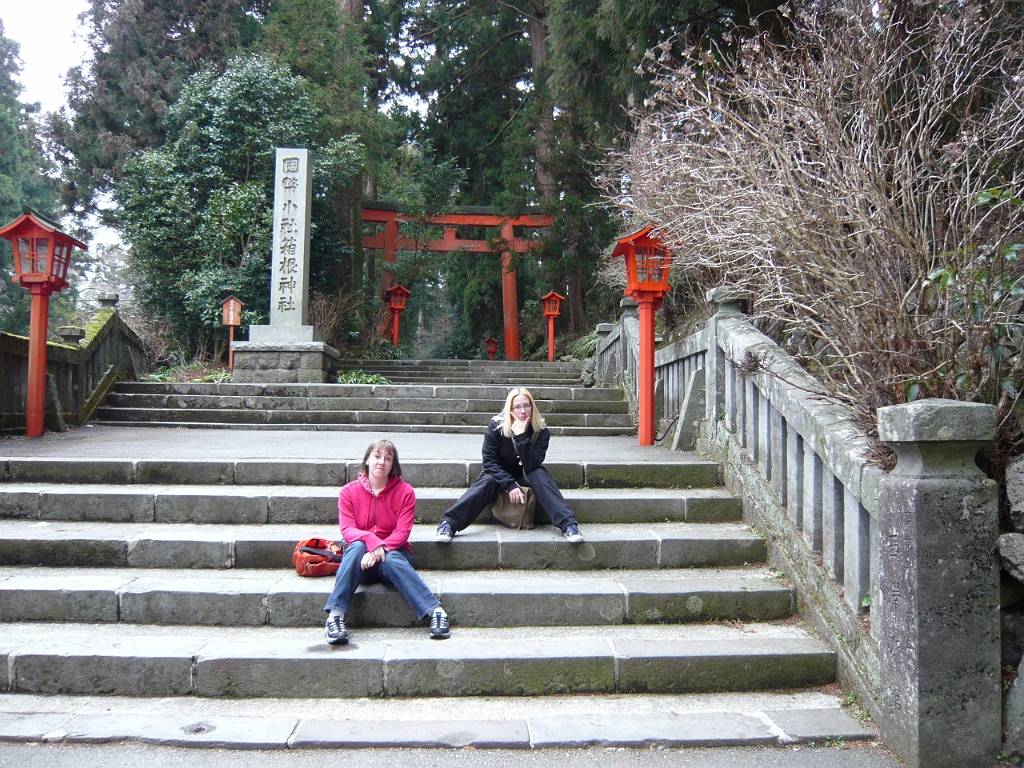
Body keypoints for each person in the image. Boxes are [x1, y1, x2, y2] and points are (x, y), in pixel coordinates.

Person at [324, 439, 449, 645]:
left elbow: (402, 532)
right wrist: (372, 541)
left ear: (393, 465)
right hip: (361, 563)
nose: (381, 462)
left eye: (387, 458)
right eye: (377, 456)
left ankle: (436, 612)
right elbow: (347, 530)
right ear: (367, 460)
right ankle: (335, 617)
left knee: (391, 558)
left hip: (394, 558)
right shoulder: (348, 492)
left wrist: (378, 550)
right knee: (356, 546)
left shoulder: (405, 492)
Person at [435, 387, 584, 543]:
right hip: (499, 474)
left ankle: (569, 525)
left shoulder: (540, 431)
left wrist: (521, 437)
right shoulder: (496, 426)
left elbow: (532, 464)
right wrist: (510, 484)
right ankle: (448, 523)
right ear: (510, 409)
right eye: (517, 407)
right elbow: (489, 463)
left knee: (540, 474)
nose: (523, 411)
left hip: (527, 473)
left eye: (527, 405)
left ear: (532, 407)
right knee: (487, 481)